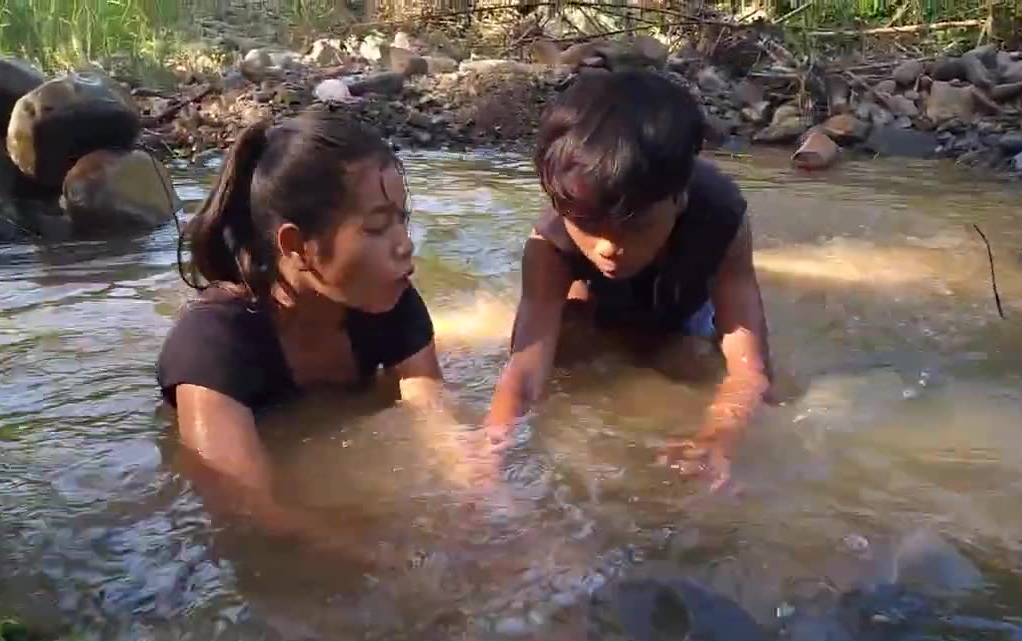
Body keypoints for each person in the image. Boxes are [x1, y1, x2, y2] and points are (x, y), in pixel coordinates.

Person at [156, 111, 462, 562]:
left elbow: (432, 410)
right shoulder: (212, 345)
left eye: (403, 220)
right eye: (378, 227)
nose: (405, 245)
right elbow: (247, 509)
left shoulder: (388, 299)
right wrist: (382, 560)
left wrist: (487, 506)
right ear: (297, 245)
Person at [485, 69, 773, 489]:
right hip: (597, 298)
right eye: (587, 223)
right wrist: (490, 449)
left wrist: (717, 439)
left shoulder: (722, 217)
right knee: (571, 346)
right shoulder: (551, 241)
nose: (607, 246)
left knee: (692, 359)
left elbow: (751, 371)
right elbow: (525, 371)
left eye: (634, 225)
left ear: (679, 198)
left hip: (683, 297)